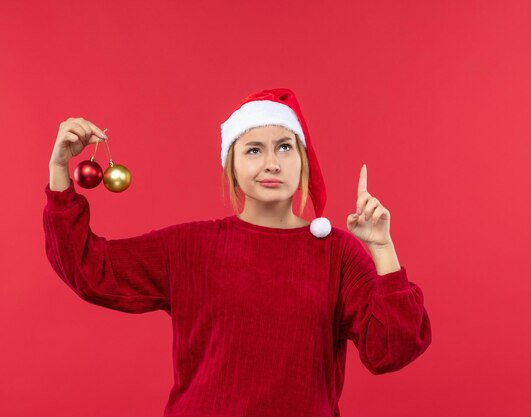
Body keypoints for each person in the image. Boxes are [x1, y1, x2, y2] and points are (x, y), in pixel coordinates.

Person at [43, 88, 432, 417]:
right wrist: (60, 168)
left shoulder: (337, 254)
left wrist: (382, 248)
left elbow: (390, 351)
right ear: (231, 164)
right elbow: (90, 269)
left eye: (284, 146)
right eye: (253, 150)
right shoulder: (191, 248)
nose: (272, 163)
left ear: (303, 159)